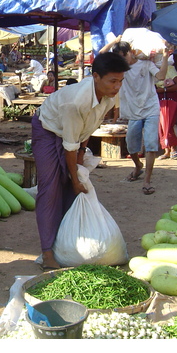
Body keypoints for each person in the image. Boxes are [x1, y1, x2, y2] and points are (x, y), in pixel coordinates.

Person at [31, 52, 130, 271]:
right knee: (51, 188)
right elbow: (69, 145)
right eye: (113, 81)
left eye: (120, 81)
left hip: (73, 136)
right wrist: (76, 177)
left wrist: (81, 154)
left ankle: (66, 240)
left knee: (69, 186)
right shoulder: (75, 102)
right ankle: (47, 252)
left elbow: (89, 125)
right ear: (96, 76)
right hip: (48, 129)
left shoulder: (110, 96)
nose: (117, 86)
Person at [109, 40, 172, 196]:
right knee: (131, 145)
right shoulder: (120, 70)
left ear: (130, 52)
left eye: (123, 56)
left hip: (151, 108)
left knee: (151, 145)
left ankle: (147, 181)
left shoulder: (145, 64)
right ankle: (138, 166)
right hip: (134, 112)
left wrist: (164, 57)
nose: (122, 60)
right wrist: (113, 42)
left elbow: (161, 76)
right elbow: (101, 57)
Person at [155, 59, 177, 160]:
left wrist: (163, 90)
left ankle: (173, 148)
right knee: (161, 125)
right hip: (158, 98)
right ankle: (166, 150)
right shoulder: (153, 70)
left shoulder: (170, 69)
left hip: (169, 98)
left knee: (168, 123)